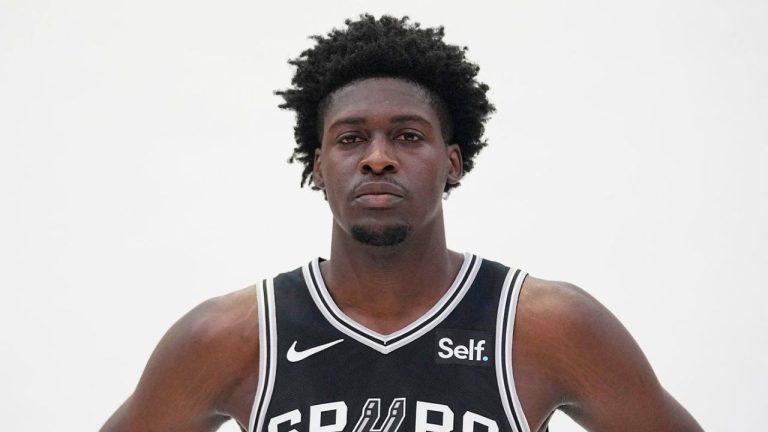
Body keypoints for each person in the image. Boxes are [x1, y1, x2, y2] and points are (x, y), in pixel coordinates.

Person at [101, 15, 703, 432]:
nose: (378, 156)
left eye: (408, 136)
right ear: (318, 168)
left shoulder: (546, 327)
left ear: (453, 163)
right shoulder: (230, 337)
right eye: (351, 138)